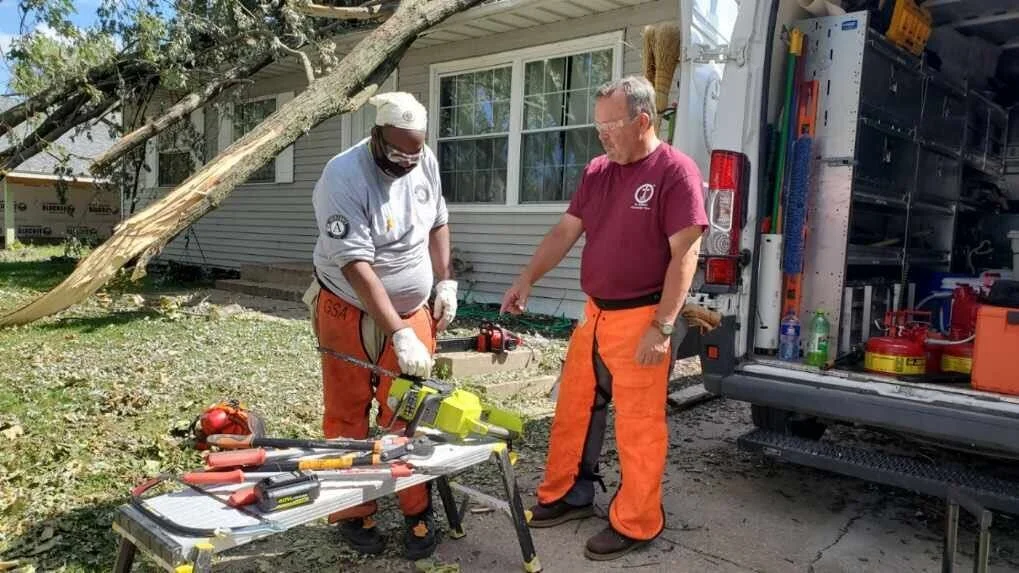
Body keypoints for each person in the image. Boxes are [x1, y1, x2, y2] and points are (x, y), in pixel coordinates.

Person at [501, 75, 707, 561]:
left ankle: (638, 522)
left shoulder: (674, 172)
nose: (603, 136)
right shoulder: (598, 171)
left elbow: (685, 255)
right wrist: (526, 277)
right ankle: (570, 496)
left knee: (638, 427)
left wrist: (661, 327)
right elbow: (565, 231)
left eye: (612, 125)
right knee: (574, 411)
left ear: (643, 120)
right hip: (594, 316)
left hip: (642, 316)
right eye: (598, 127)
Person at [304, 91, 457, 560]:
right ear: (375, 136)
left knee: (406, 412)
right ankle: (355, 512)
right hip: (348, 308)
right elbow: (355, 265)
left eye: (415, 152)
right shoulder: (343, 176)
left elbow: (438, 220)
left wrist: (445, 282)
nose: (407, 162)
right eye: (397, 152)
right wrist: (397, 331)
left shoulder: (422, 159)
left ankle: (415, 511)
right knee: (348, 414)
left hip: (412, 310)